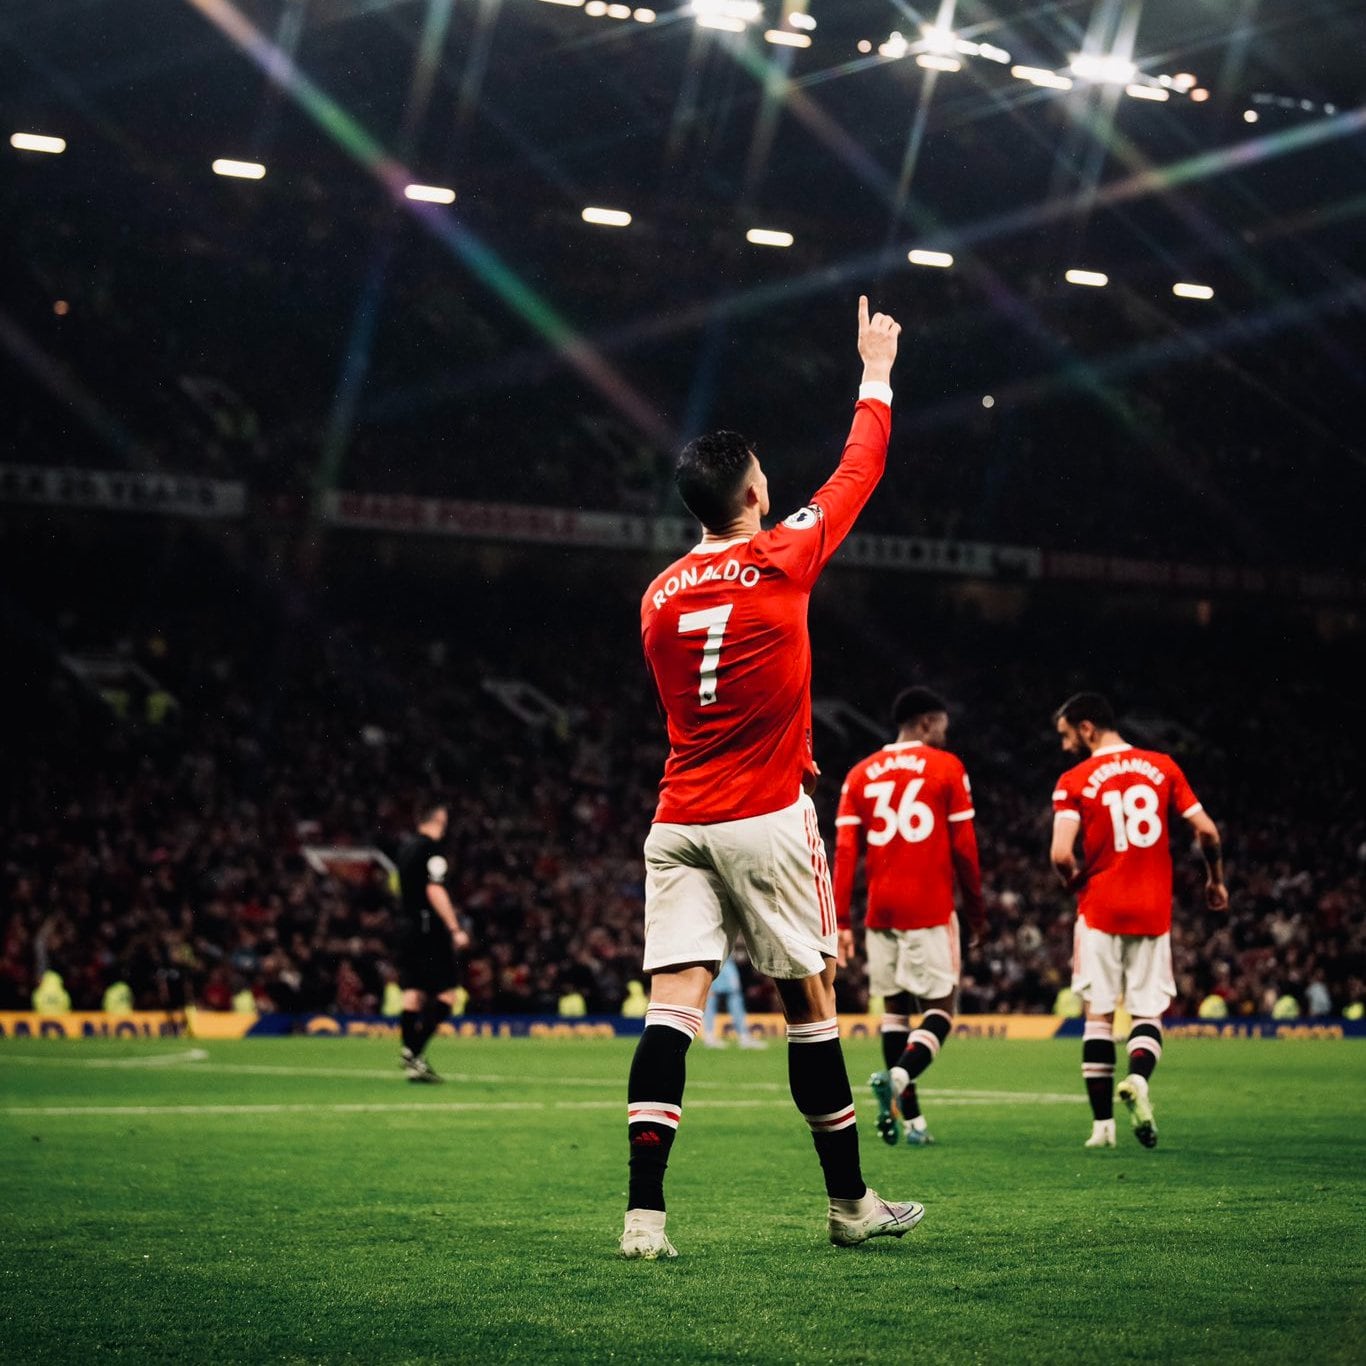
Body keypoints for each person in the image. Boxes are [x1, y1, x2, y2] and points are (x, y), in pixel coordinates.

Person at [622, 297, 924, 1260]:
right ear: (751, 497)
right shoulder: (782, 554)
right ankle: (848, 1206)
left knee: (672, 1010)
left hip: (677, 820)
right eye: (763, 478)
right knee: (811, 1008)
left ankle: (643, 1219)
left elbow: (696, 704)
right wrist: (875, 370)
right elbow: (857, 471)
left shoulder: (657, 596)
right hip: (762, 816)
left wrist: (781, 738)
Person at [1050, 693, 1228, 1149]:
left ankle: (1102, 1128)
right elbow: (1207, 830)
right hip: (1152, 909)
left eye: (1068, 735)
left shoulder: (1074, 778)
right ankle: (1140, 1081)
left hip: (1100, 908)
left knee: (1099, 1017)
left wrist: (1074, 882)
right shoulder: (1164, 767)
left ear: (1088, 729)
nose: (1067, 746)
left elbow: (1060, 854)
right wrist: (1215, 880)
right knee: (1147, 1012)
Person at [833, 686, 985, 1147]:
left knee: (896, 1013)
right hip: (930, 907)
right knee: (941, 1010)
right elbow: (964, 847)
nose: (945, 732)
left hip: (880, 912)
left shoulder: (859, 774)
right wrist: (976, 909)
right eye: (941, 724)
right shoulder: (948, 767)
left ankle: (913, 1122)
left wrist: (841, 920)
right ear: (924, 723)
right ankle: (898, 1079)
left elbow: (844, 851)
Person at [394, 799, 468, 1083]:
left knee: (413, 991)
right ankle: (413, 1051)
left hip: (406, 927)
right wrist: (454, 928)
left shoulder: (405, 849)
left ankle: (411, 1055)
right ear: (438, 820)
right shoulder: (432, 851)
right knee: (447, 994)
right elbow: (435, 889)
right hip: (428, 929)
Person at [701, 954, 765, 1049]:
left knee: (712, 997)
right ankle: (743, 1036)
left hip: (712, 960)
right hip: (720, 959)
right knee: (729, 996)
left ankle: (709, 1036)